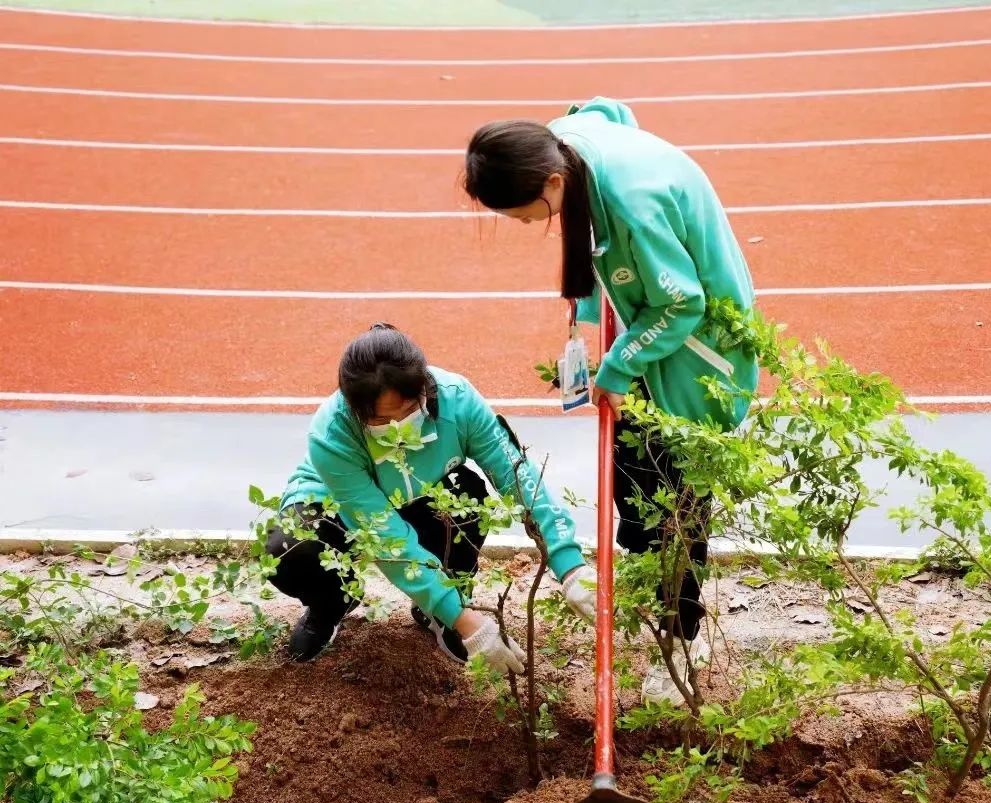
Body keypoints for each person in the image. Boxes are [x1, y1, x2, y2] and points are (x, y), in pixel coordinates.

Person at [463, 97, 759, 704]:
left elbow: (682, 303)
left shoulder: (631, 202)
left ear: (552, 179)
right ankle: (656, 591)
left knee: (675, 494)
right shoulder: (565, 140)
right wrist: (601, 310)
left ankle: (684, 636)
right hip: (648, 332)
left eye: (526, 216)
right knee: (635, 485)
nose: (528, 227)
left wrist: (620, 365)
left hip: (697, 351)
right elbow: (608, 111)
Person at [268, 324, 596, 668]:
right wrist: (470, 625)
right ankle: (333, 602)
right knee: (288, 550)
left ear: (424, 387)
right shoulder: (332, 433)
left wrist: (568, 563)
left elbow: (516, 475)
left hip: (423, 495)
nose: (399, 424)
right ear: (356, 410)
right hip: (339, 506)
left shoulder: (459, 401)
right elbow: (384, 536)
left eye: (409, 408)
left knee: (467, 496)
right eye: (382, 418)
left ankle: (444, 607)